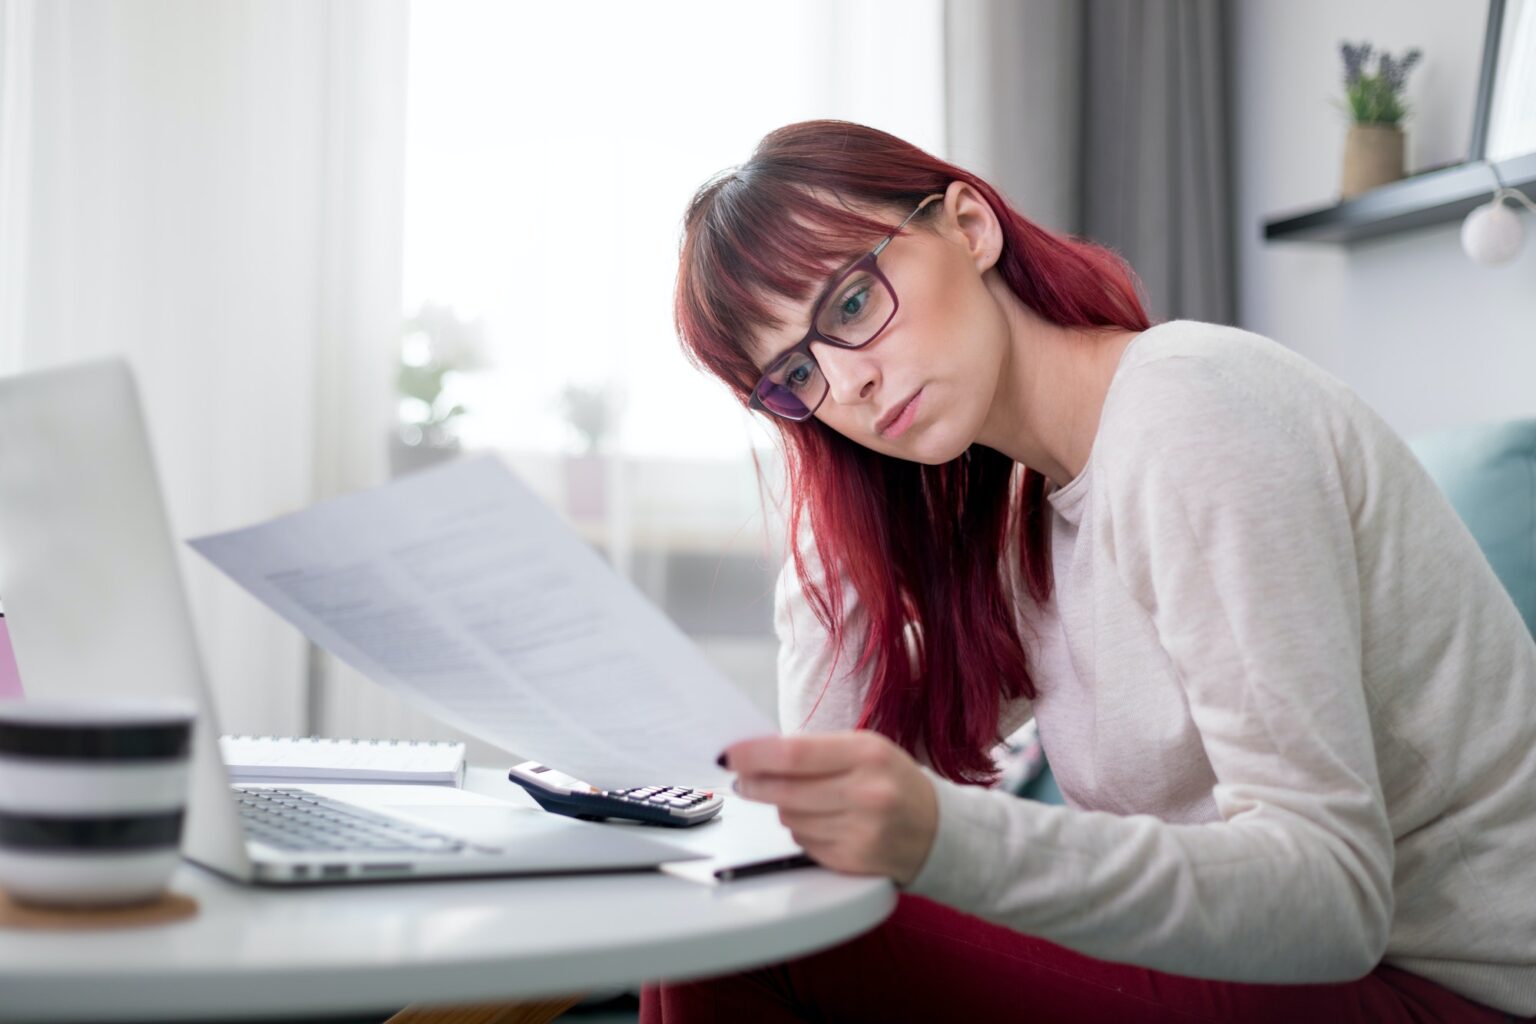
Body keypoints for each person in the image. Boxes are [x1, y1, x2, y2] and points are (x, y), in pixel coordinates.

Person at [641, 120, 1536, 1024]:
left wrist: (948, 839)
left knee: (732, 934)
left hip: (1445, 987)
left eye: (851, 304)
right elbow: (826, 844)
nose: (847, 385)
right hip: (1272, 976)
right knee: (725, 909)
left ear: (969, 227)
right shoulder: (1020, 513)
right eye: (796, 376)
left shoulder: (1191, 412)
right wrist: (835, 520)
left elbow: (1334, 895)